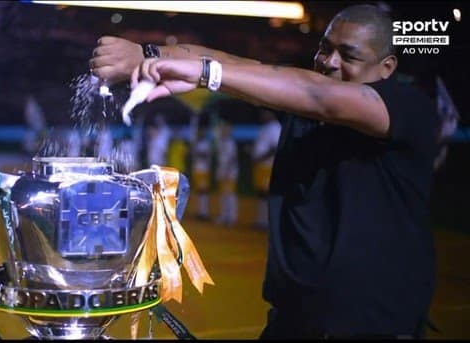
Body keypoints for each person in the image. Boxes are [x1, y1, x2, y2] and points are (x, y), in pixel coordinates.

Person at [90, 4, 439, 339]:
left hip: (370, 322)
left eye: (348, 56)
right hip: (295, 316)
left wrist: (205, 74)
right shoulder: (303, 99)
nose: (329, 62)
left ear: (387, 67)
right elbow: (244, 65)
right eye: (324, 48)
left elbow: (322, 97)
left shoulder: (406, 105)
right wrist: (148, 55)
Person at [251, 109, 281, 229]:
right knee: (260, 194)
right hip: (261, 167)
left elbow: (275, 148)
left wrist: (260, 158)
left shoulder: (274, 127)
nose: (262, 115)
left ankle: (267, 222)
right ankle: (261, 220)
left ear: (271, 113)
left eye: (265, 112)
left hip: (267, 165)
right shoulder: (265, 127)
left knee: (266, 194)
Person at [214, 119, 239, 226]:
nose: (224, 131)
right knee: (223, 194)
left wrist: (228, 171)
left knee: (230, 195)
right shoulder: (221, 142)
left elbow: (232, 159)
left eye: (226, 129)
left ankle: (232, 217)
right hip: (222, 171)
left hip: (229, 172)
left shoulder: (230, 143)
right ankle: (224, 215)